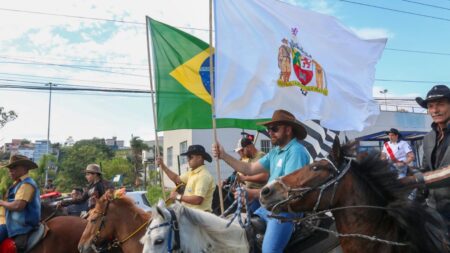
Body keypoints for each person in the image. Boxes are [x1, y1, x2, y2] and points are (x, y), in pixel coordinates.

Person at [213, 109, 311, 253]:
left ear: (288, 130)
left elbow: (290, 191)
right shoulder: (275, 152)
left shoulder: (296, 151)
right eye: (268, 129)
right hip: (268, 208)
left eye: (274, 129)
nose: (270, 132)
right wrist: (223, 155)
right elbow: (250, 168)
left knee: (269, 251)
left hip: (285, 211)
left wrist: (253, 193)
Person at [415, 84, 450, 233]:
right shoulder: (428, 138)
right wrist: (417, 199)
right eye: (430, 106)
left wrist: (412, 180)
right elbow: (425, 169)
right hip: (435, 209)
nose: (435, 110)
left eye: (440, 104)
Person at [157, 145, 215, 212]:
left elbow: (198, 200)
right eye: (187, 157)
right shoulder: (192, 172)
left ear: (199, 158)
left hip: (198, 217)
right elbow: (176, 178)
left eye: (190, 157)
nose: (188, 160)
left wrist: (178, 196)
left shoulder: (203, 176)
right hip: (190, 214)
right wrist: (163, 166)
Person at [0, 155, 40, 252]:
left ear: (24, 168)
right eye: (9, 168)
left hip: (18, 226)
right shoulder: (17, 183)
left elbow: (18, 206)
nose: (10, 171)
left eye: (13, 167)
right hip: (9, 222)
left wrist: (1, 202)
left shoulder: (26, 184)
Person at [233, 136, 268, 212]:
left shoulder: (261, 156)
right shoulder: (251, 158)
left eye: (242, 150)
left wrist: (244, 178)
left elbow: (265, 176)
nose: (241, 153)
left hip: (258, 197)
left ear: (248, 147)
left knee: (252, 216)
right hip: (250, 195)